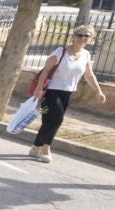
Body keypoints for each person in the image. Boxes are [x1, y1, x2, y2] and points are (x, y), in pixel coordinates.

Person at [26, 24, 106, 162]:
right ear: (73, 37)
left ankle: (36, 146)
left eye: (86, 35)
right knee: (57, 118)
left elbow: (89, 75)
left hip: (68, 93)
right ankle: (45, 149)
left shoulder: (86, 55)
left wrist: (98, 91)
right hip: (50, 92)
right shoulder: (60, 52)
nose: (82, 38)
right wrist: (39, 89)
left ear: (92, 38)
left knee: (50, 121)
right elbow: (45, 71)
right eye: (79, 35)